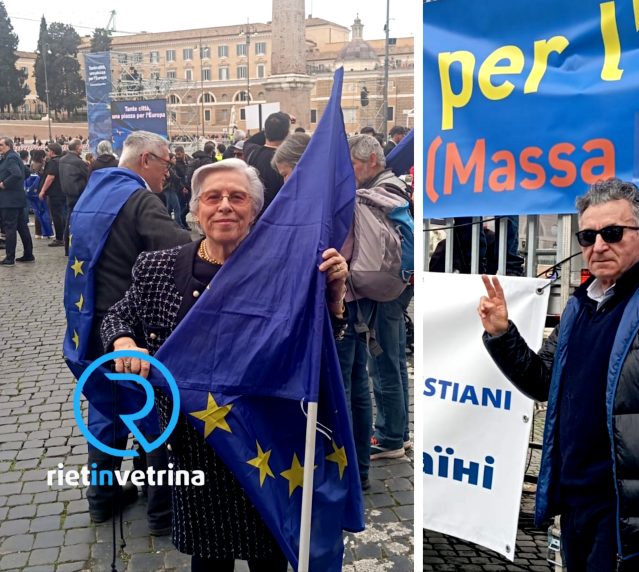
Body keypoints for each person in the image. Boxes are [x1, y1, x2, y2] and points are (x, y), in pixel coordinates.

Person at [99, 158, 349, 571]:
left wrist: (334, 296)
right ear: (195, 209)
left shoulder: (286, 272)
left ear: (255, 208)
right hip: (194, 444)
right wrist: (124, 341)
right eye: (213, 198)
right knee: (208, 559)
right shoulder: (157, 268)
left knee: (269, 556)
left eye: (238, 197)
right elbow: (118, 316)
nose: (225, 206)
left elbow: (318, 349)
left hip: (263, 443)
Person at [477, 178, 639, 571]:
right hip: (577, 497)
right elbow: (545, 381)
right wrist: (501, 335)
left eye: (612, 233)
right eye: (587, 235)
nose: (598, 245)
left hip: (630, 505)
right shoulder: (580, 305)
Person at [73, 131, 191, 532]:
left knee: (105, 412)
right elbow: (182, 248)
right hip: (130, 327)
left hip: (90, 323)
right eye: (165, 164)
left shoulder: (93, 192)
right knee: (154, 416)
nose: (167, 173)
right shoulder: (140, 199)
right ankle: (162, 511)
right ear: (146, 160)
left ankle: (101, 499)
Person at [347, 135, 413, 463]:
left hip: (382, 286)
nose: (352, 171)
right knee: (395, 358)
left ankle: (388, 437)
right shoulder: (396, 185)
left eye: (355, 164)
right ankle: (399, 431)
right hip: (397, 284)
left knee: (382, 362)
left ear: (372, 160)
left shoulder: (376, 193)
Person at [245, 111, 290, 213]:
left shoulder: (251, 151)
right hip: (276, 215)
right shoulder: (287, 162)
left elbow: (250, 141)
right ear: (287, 134)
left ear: (265, 132)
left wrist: (271, 126)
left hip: (254, 215)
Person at [0, 137, 34, 265]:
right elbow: (26, 172)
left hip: (9, 200)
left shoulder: (11, 157)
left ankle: (10, 257)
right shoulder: (13, 157)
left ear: (8, 145)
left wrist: (4, 184)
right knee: (22, 227)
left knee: (10, 228)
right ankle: (28, 254)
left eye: (1, 145)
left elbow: (17, 174)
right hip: (17, 198)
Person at [58, 140, 90, 255]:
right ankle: (79, 247)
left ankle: (67, 248)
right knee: (80, 222)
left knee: (69, 222)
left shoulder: (62, 160)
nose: (82, 148)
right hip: (79, 195)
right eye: (81, 146)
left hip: (68, 194)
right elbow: (88, 176)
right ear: (77, 147)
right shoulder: (78, 162)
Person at [38, 142, 66, 247]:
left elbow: (50, 177)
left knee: (56, 216)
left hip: (55, 193)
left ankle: (59, 238)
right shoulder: (62, 160)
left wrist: (42, 190)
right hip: (62, 191)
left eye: (48, 151)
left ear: (52, 152)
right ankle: (64, 236)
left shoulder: (53, 162)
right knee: (62, 215)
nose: (47, 153)